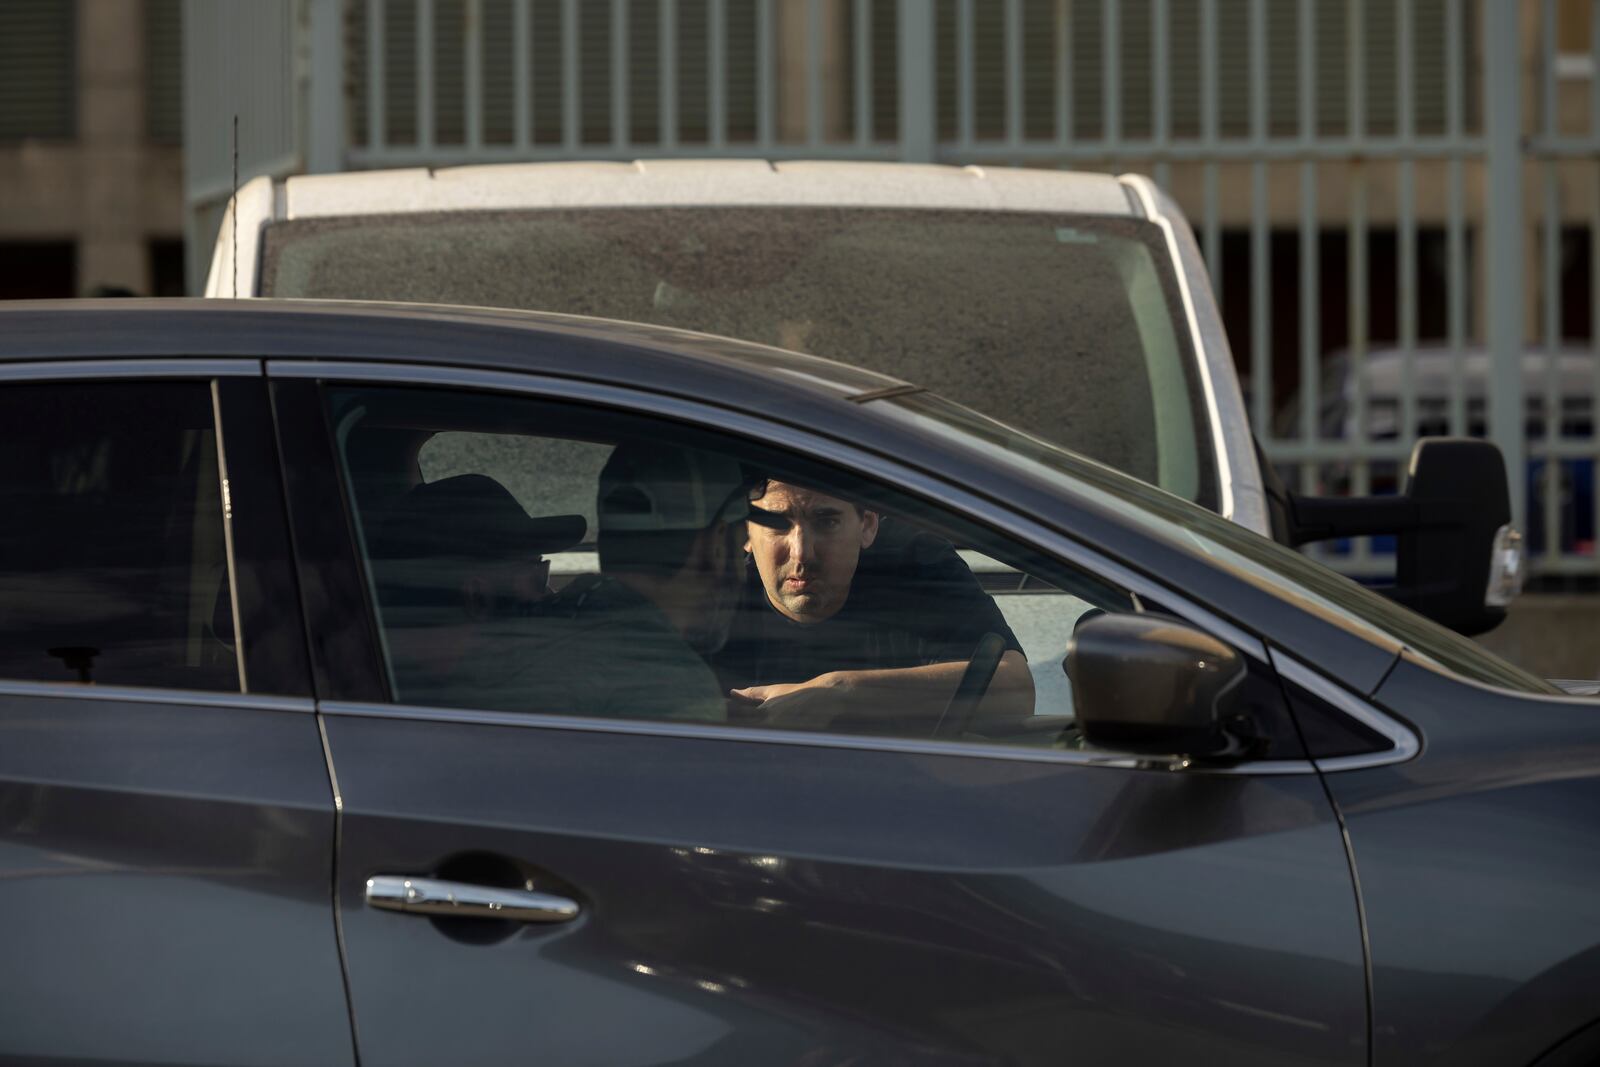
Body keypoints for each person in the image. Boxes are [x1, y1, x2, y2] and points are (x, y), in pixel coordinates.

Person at [714, 478, 1035, 733]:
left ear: (867, 525)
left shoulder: (913, 564)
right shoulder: (711, 587)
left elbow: (1015, 692)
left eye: (826, 522)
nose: (802, 553)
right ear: (745, 531)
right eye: (777, 524)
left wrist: (841, 692)